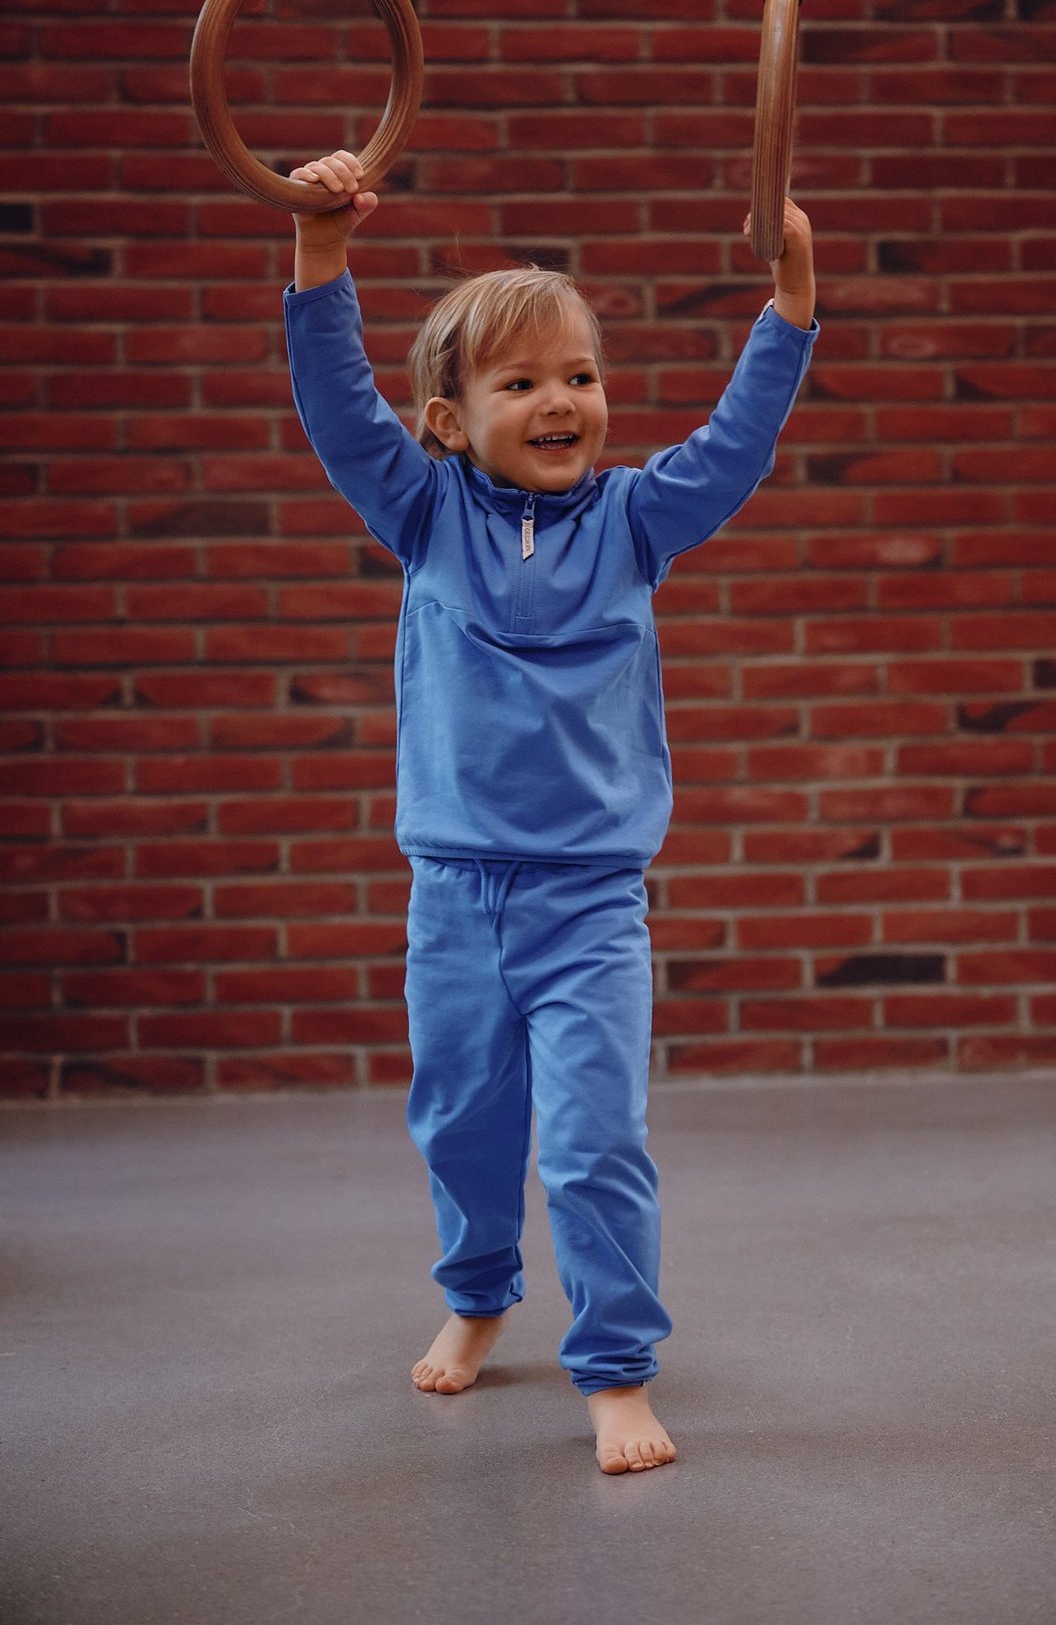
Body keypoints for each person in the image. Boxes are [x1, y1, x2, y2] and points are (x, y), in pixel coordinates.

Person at [283, 151, 819, 1475]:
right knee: (461, 1123)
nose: (560, 399)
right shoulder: (421, 515)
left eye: (578, 375)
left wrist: (792, 299)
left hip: (590, 902)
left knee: (593, 1142)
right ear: (454, 419)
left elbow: (739, 441)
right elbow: (339, 411)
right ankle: (475, 1295)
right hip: (456, 895)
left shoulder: (638, 520)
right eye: (519, 381)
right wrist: (319, 254)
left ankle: (618, 1371)